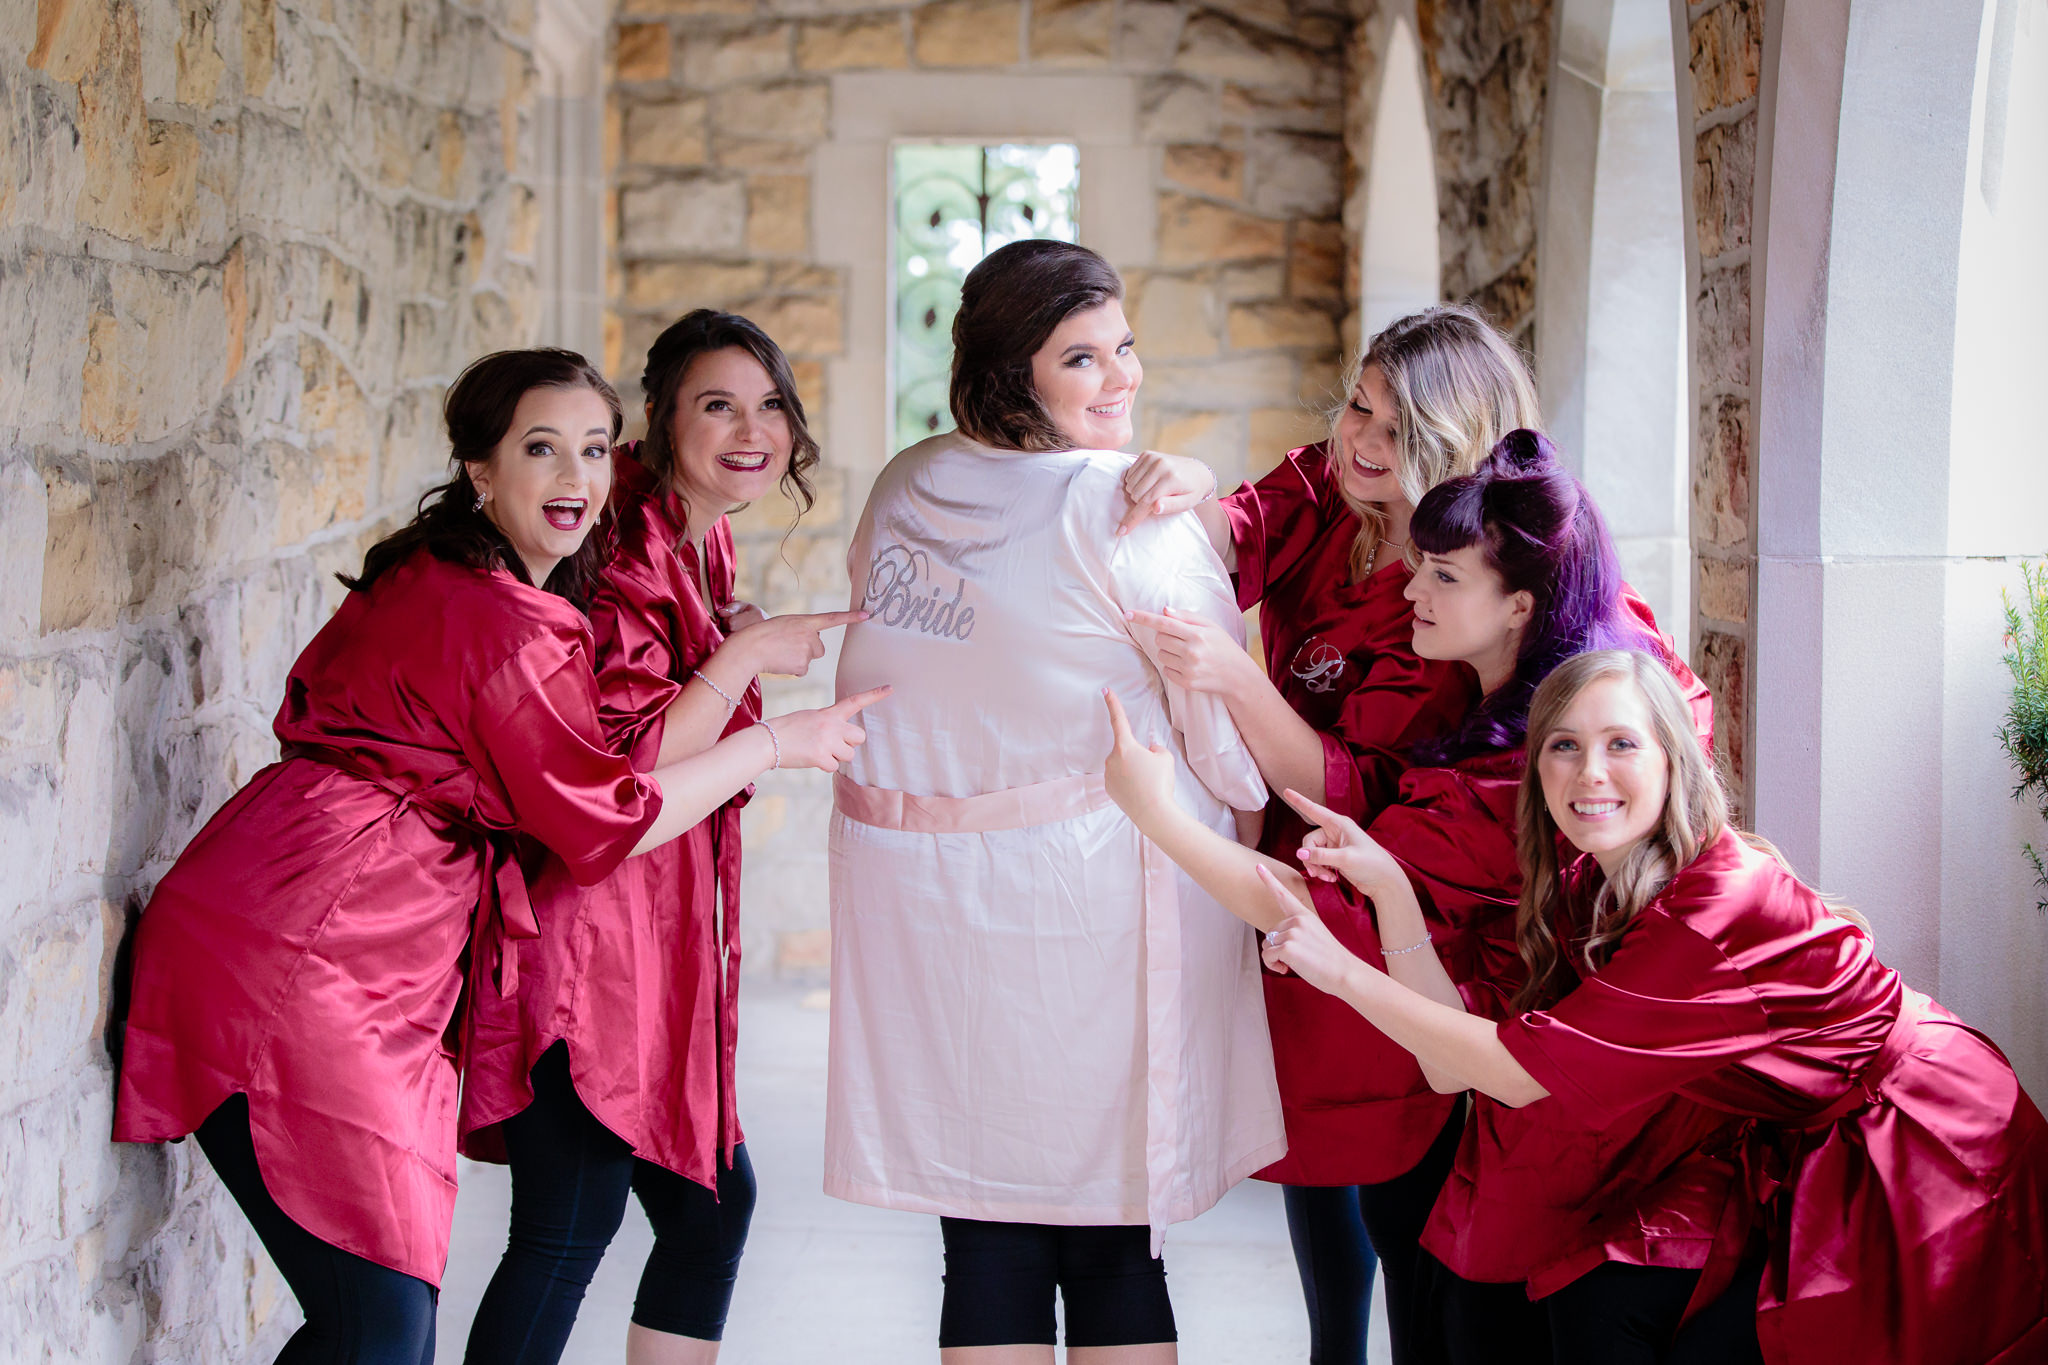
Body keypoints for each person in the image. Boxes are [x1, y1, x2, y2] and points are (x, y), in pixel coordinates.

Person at [112, 349, 879, 1365]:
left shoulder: (454, 573)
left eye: (593, 451)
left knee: (376, 1326)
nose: (574, 476)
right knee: (387, 1327)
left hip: (323, 927)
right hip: (303, 951)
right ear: (481, 468)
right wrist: (776, 740)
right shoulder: (503, 620)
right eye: (540, 449)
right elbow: (601, 820)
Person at [1100, 431, 1726, 1361]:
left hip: (1609, 1106)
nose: (1407, 590)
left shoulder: (1518, 757)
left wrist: (1161, 817)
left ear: (1521, 602)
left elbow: (1336, 929)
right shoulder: (1573, 649)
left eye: (1440, 577)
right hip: (1533, 1070)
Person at [1258, 649, 2048, 1365]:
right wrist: (1392, 891)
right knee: (1590, 1294)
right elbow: (1456, 1060)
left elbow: (1513, 1072)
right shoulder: (1592, 882)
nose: (1589, 771)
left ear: (1674, 758)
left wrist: (1339, 971)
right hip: (1788, 1131)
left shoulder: (1713, 911)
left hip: (1917, 1142)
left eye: (1621, 743)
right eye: (1563, 745)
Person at [827, 238, 1284, 1364]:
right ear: (1010, 372)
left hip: (930, 911)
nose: (1120, 377)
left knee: (982, 1231)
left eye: (1122, 346)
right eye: (1081, 358)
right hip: (1090, 914)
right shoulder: (1126, 510)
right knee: (1113, 1236)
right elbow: (1229, 759)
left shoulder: (905, 481)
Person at [1115, 306, 1545, 1363]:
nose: (1359, 439)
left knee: (1391, 1143)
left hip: (1395, 874)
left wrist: (1231, 680)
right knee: (1307, 1127)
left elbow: (1348, 784)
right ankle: (1330, 1350)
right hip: (1286, 851)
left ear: (1450, 443)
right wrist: (1180, 479)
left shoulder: (1453, 586)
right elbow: (1231, 533)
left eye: (1395, 430)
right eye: (1358, 404)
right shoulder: (1327, 485)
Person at [459, 313, 876, 1365]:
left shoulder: (698, 528)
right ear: (659, 415)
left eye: (769, 404)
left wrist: (727, 637)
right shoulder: (617, 545)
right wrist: (742, 672)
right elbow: (623, 775)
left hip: (656, 926)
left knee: (705, 1205)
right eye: (717, 405)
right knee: (568, 1229)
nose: (752, 431)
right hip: (583, 929)